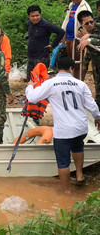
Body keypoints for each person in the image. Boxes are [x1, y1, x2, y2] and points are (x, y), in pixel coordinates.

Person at [26, 57, 100, 192]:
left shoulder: (51, 83)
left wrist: (30, 86)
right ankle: (79, 174)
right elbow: (92, 105)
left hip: (63, 130)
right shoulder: (80, 84)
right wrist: (97, 117)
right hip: (80, 127)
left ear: (57, 68)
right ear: (71, 69)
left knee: (63, 161)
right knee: (78, 148)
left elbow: (32, 98)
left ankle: (66, 190)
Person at [61, 0, 92, 80]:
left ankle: (78, 81)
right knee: (71, 61)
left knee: (78, 62)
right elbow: (67, 20)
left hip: (78, 39)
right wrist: (63, 34)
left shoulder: (85, 7)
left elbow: (88, 24)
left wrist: (82, 35)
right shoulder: (72, 5)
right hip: (69, 37)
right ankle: (71, 80)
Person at [26, 5, 66, 78]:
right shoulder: (30, 23)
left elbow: (61, 32)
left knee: (40, 80)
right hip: (31, 55)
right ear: (28, 16)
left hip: (41, 57)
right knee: (30, 79)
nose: (35, 18)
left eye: (37, 15)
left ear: (40, 14)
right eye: (32, 16)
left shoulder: (45, 24)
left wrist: (53, 45)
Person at [77, 10, 100, 107]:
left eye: (91, 22)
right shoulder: (81, 32)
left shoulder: (98, 27)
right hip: (96, 63)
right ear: (81, 24)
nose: (90, 25)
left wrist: (90, 38)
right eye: (87, 23)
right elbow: (89, 52)